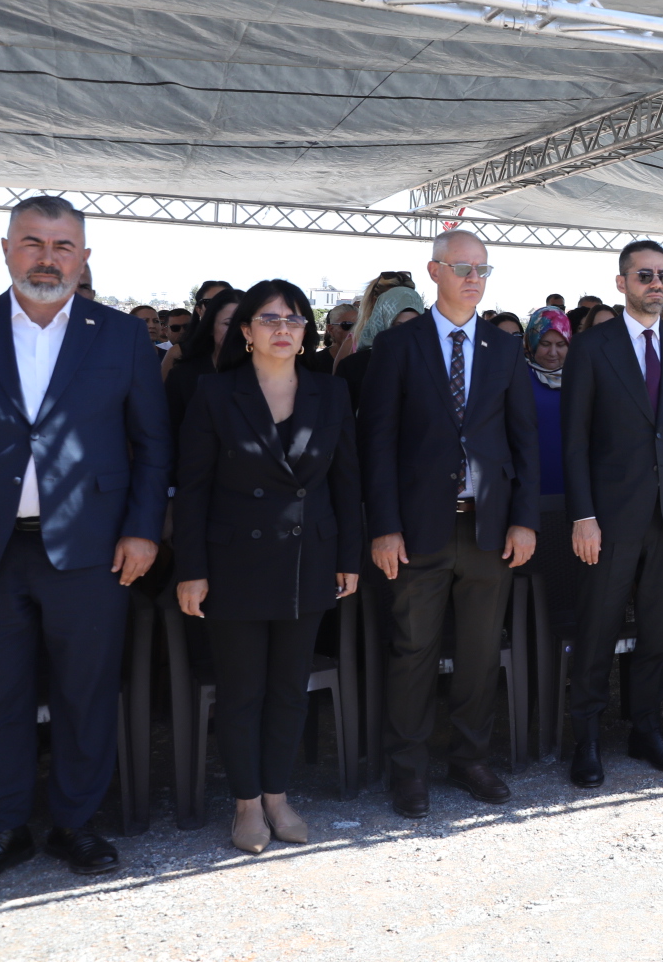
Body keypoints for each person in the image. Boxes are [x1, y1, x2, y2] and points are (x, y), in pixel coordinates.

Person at [0, 196, 169, 892]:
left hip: (92, 548)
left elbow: (153, 444)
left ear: (84, 257)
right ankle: (2, 828)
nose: (47, 258)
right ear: (5, 249)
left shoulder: (121, 336)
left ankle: (75, 822)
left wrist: (143, 529)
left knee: (86, 692)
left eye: (62, 246)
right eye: (32, 243)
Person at [172, 280, 361, 854]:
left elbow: (346, 482)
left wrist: (348, 556)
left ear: (306, 332)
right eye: (270, 318)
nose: (284, 328)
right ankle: (247, 804)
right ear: (246, 331)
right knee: (242, 691)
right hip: (234, 563)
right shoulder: (214, 392)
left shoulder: (330, 391)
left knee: (289, 689)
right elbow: (193, 489)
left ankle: (277, 796)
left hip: (309, 558)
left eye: (295, 319)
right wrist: (191, 568)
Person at [360, 231, 539, 818]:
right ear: (434, 271)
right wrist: (384, 526)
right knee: (413, 650)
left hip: (488, 529)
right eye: (462, 267)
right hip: (416, 530)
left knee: (481, 652)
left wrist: (524, 520)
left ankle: (470, 758)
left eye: (483, 269)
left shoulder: (503, 347)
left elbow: (523, 440)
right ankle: (408, 769)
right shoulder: (399, 345)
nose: (474, 278)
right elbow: (377, 442)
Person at [561, 240, 663, 784]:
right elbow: (574, 439)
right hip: (608, 516)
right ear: (622, 282)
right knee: (598, 628)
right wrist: (583, 515)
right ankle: (587, 736)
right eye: (645, 275)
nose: (657, 284)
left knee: (657, 629)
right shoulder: (591, 346)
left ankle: (647, 728)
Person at [166, 288, 246, 458]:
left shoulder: (268, 374)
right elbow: (170, 432)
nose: (237, 331)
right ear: (210, 327)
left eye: (244, 323)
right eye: (228, 324)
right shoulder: (183, 375)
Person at [335, 285, 424, 411]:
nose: (406, 333)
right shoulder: (353, 367)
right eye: (398, 326)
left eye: (413, 325)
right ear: (382, 322)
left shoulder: (431, 364)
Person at [523, 307, 571, 498]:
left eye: (560, 344)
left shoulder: (581, 376)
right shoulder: (517, 376)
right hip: (530, 485)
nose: (553, 352)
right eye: (545, 344)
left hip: (573, 484)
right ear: (532, 342)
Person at [306, 302, 356, 375]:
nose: (354, 331)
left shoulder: (367, 360)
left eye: (360, 326)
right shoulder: (313, 362)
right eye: (347, 325)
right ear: (331, 329)